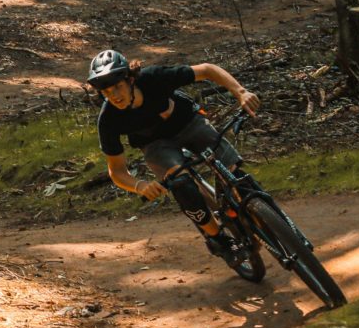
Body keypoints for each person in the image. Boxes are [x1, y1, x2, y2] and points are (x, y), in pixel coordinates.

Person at [86, 49, 262, 259]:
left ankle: (260, 213)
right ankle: (218, 238)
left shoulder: (154, 78)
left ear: (130, 79)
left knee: (235, 174)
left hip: (189, 123)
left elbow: (207, 70)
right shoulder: (108, 120)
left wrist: (240, 92)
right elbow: (116, 171)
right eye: (106, 91)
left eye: (117, 86)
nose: (114, 95)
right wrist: (140, 186)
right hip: (156, 145)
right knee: (181, 185)